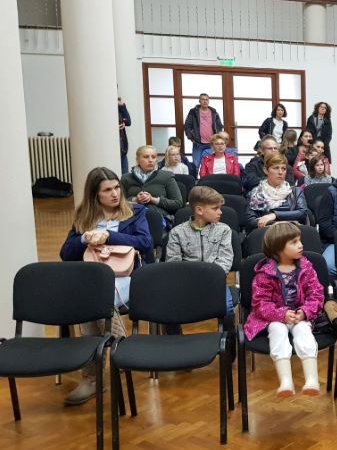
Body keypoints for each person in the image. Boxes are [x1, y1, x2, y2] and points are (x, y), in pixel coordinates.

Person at [60, 167, 152, 405]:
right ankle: (120, 351)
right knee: (93, 298)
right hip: (94, 278)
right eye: (107, 190)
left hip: (128, 276)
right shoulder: (84, 216)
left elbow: (145, 242)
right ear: (95, 194)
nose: (115, 194)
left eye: (117, 187)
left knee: (92, 300)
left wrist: (109, 236)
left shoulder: (135, 211)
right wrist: (84, 238)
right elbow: (66, 253)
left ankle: (92, 378)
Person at [244, 222, 324, 396]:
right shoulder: (265, 273)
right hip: (273, 318)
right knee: (277, 330)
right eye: (294, 242)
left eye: (299, 240)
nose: (300, 245)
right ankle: (286, 382)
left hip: (300, 315)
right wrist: (281, 314)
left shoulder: (306, 268)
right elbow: (260, 304)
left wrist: (304, 312)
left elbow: (316, 294)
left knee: (303, 331)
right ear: (278, 248)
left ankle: (312, 380)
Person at [165, 186, 235, 323]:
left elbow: (226, 258)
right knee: (170, 309)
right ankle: (174, 335)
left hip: (215, 281)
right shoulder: (177, 232)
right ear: (199, 210)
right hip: (186, 282)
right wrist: (190, 280)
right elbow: (173, 263)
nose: (220, 212)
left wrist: (211, 278)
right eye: (215, 208)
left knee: (227, 308)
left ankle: (229, 336)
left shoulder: (224, 230)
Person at [245, 154, 309, 230]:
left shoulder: (295, 191)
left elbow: (302, 213)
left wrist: (274, 215)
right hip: (266, 232)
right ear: (265, 170)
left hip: (293, 232)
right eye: (276, 168)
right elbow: (250, 220)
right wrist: (277, 224)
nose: (280, 172)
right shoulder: (255, 193)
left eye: (284, 169)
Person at [120, 145, 184, 219]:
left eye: (153, 157)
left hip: (159, 218)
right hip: (132, 217)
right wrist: (135, 200)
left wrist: (154, 200)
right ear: (137, 160)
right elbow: (118, 202)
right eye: (146, 157)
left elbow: (178, 203)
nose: (150, 160)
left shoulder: (167, 176)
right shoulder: (126, 178)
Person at [184, 93, 223, 169]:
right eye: (203, 99)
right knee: (196, 165)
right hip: (198, 143)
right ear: (199, 101)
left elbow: (219, 125)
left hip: (211, 144)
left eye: (206, 100)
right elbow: (187, 125)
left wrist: (217, 137)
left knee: (210, 165)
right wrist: (191, 137)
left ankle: (208, 177)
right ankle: (195, 177)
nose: (205, 101)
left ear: (208, 101)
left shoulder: (214, 112)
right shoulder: (193, 112)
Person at [118, 97, 131, 175]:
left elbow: (128, 122)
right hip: (113, 147)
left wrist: (122, 106)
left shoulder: (119, 108)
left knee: (125, 175)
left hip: (123, 148)